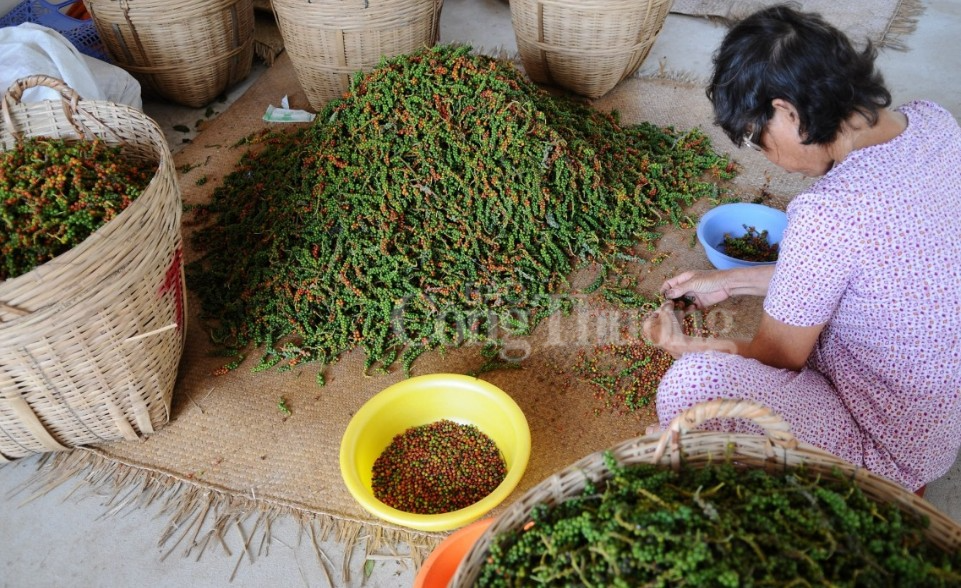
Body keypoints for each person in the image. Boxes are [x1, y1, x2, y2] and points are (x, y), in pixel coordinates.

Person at [642, 3, 961, 492]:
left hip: (884, 450)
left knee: (693, 384)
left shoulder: (828, 214)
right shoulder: (935, 124)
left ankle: (875, 492)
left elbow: (776, 359)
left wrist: (684, 346)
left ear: (787, 113)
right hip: (937, 431)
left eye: (755, 139)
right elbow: (873, 274)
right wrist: (731, 282)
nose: (766, 158)